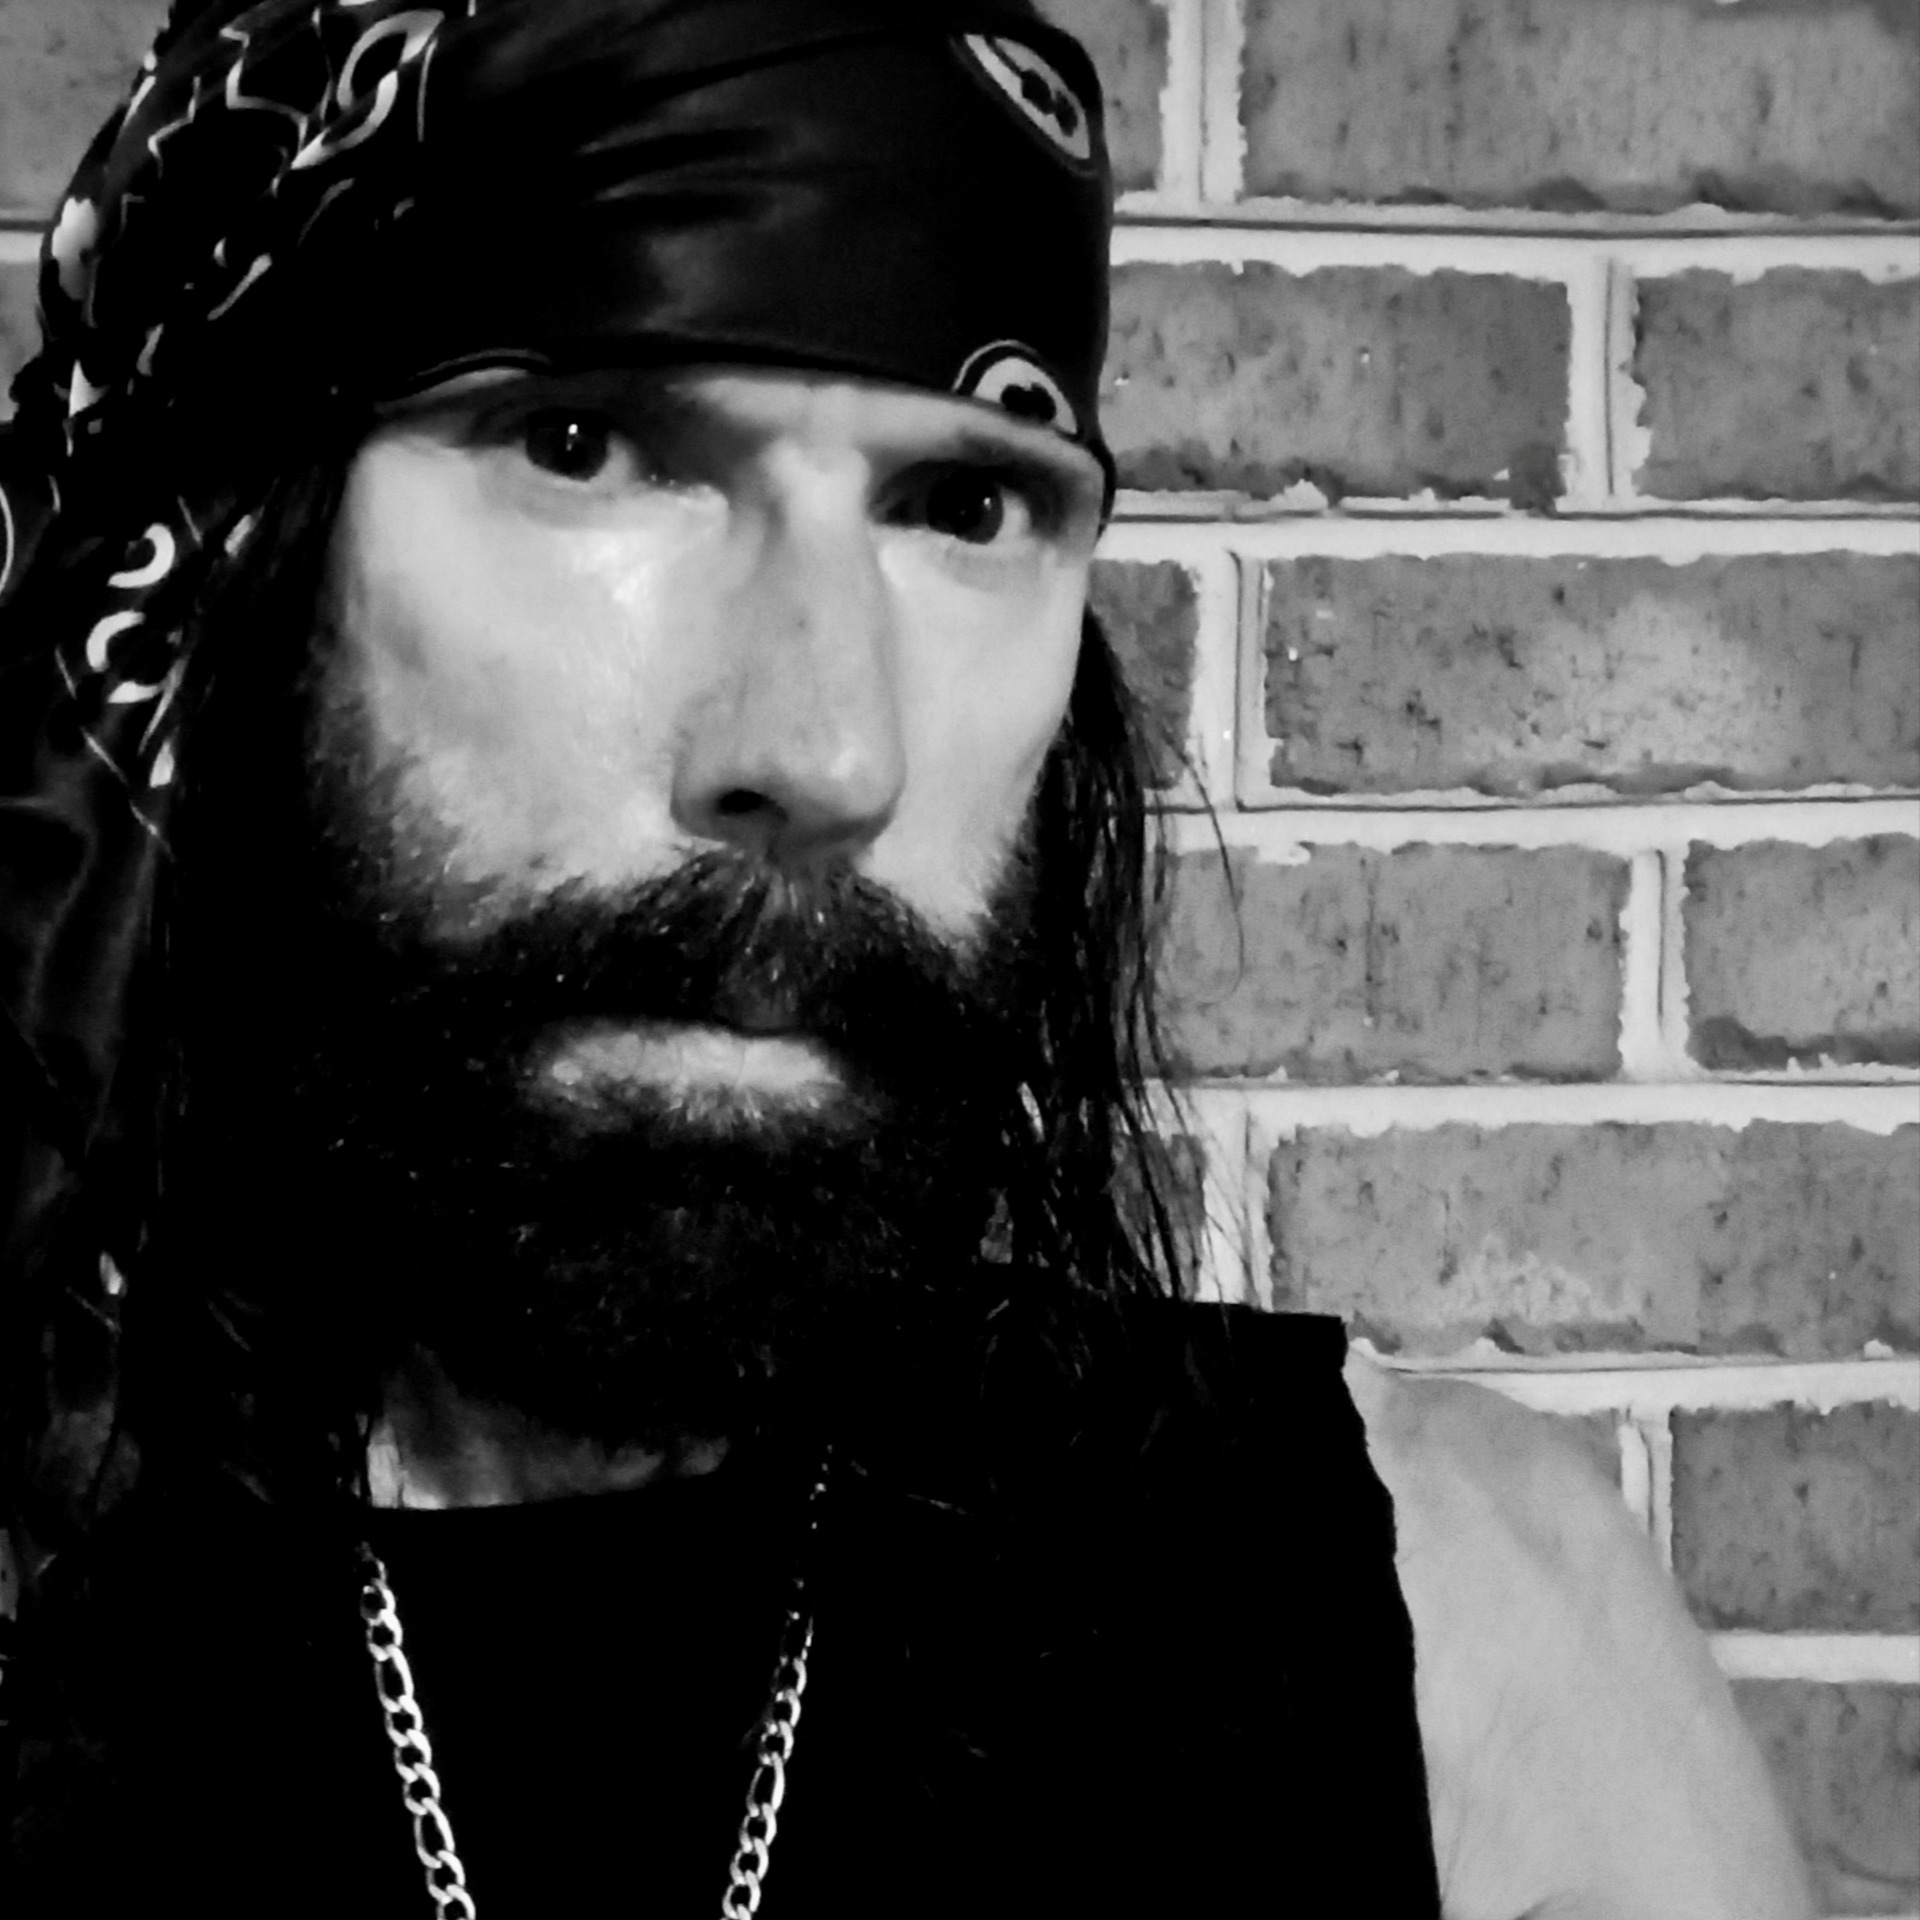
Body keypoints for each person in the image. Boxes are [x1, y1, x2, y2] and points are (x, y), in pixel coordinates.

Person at [0, 2, 1815, 1914]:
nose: (826, 748)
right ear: (226, 574)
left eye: (965, 505)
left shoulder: (1453, 1639)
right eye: (586, 446)